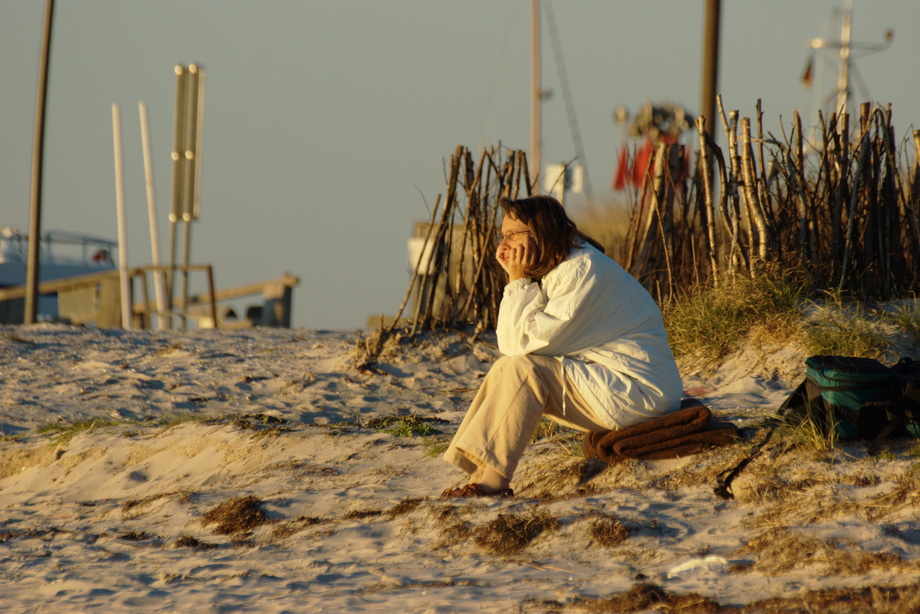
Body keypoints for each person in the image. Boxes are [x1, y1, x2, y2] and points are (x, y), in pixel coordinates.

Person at [440, 194, 683, 498]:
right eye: (502, 236)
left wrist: (516, 280)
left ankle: (494, 483)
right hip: (614, 384)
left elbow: (518, 344)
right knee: (509, 367)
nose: (504, 245)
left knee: (523, 369)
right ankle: (481, 473)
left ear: (538, 232)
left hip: (639, 392)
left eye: (512, 235)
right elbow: (514, 344)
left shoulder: (581, 270)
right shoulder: (561, 267)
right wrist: (521, 279)